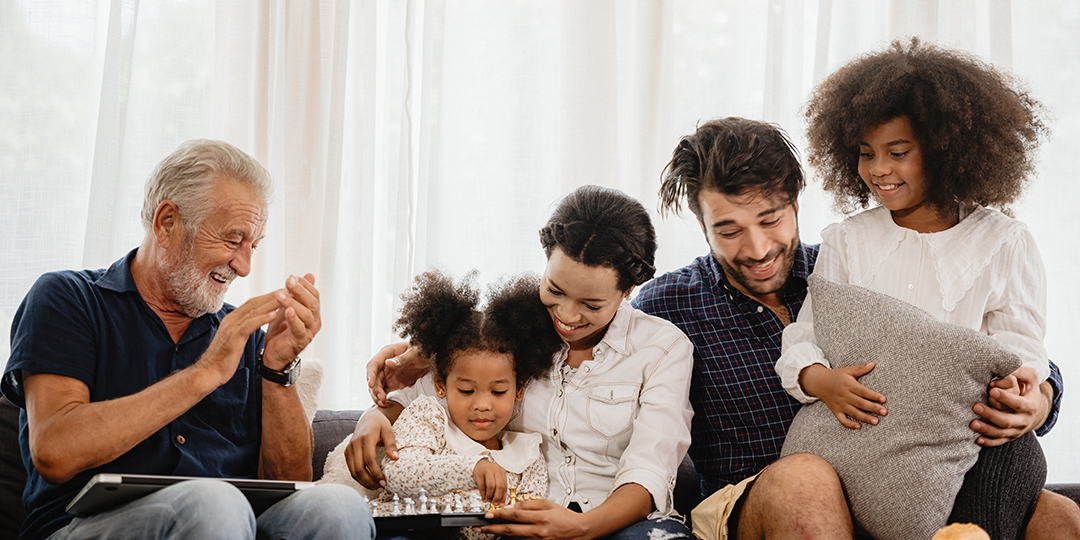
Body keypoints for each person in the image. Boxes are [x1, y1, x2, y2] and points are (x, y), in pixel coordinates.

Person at [630, 115, 1075, 539]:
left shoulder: (845, 266)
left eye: (771, 220)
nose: (758, 248)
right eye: (729, 231)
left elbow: (962, 344)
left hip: (898, 486)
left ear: (796, 204)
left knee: (1059, 516)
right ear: (701, 224)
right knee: (806, 480)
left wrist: (1040, 395)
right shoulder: (667, 306)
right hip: (752, 500)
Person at [1, 140, 375, 540]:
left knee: (339, 506)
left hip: (234, 524)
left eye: (253, 245)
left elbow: (289, 482)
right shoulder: (68, 299)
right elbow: (54, 451)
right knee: (213, 504)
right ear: (167, 223)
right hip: (85, 527)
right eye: (233, 240)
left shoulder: (245, 338)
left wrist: (276, 368)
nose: (244, 267)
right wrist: (206, 372)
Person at [777, 38, 1062, 538]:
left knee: (1014, 456)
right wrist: (819, 380)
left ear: (948, 149)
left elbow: (1021, 343)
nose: (878, 170)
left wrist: (1024, 390)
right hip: (870, 440)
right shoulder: (848, 240)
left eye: (898, 152)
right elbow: (807, 335)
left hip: (965, 437)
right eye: (866, 154)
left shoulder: (1004, 242)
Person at [353, 185, 695, 540]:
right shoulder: (510, 328)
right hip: (517, 527)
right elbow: (421, 401)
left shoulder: (663, 349)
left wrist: (581, 528)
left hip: (618, 525)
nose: (566, 315)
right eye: (555, 290)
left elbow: (649, 471)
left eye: (592, 305)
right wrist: (372, 417)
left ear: (628, 292)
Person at [318, 269, 558, 538]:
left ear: (518, 390)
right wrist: (473, 468)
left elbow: (530, 515)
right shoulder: (427, 416)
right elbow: (400, 474)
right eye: (467, 390)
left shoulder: (528, 452)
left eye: (498, 392)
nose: (482, 405)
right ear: (441, 385)